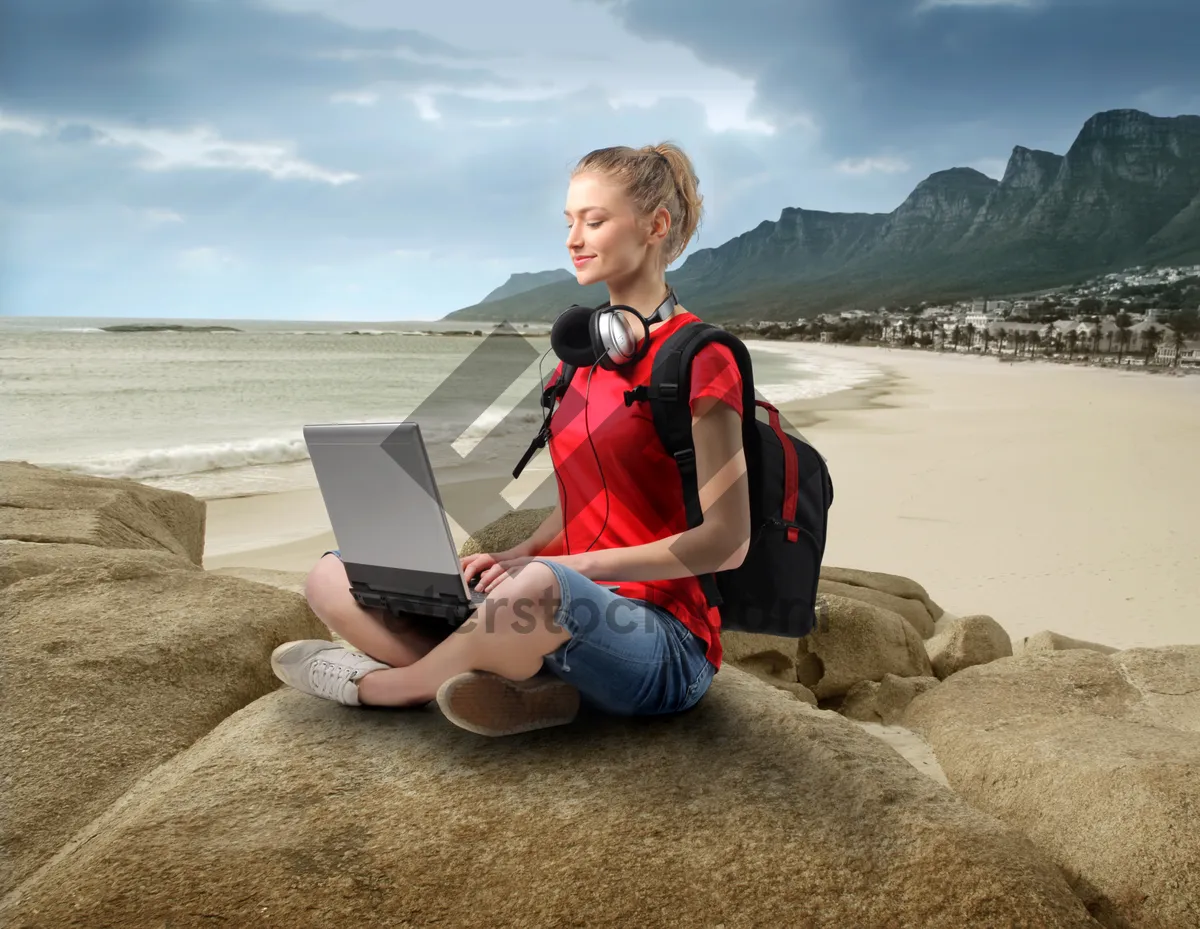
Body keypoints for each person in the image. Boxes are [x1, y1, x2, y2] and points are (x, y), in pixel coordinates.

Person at [272, 142, 752, 737]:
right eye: (569, 221)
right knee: (333, 576)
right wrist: (521, 552)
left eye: (594, 221)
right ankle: (522, 689)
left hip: (662, 640)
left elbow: (726, 542)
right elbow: (588, 497)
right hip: (550, 612)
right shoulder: (577, 364)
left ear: (656, 226)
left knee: (541, 590)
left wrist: (557, 570)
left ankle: (386, 687)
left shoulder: (701, 358)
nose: (574, 237)